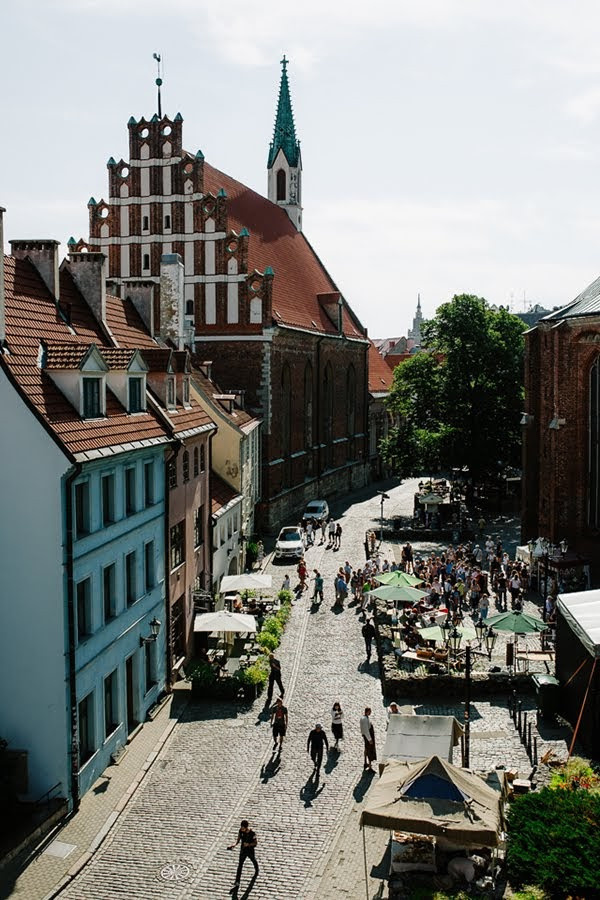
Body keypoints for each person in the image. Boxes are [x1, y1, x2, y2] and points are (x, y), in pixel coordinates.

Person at [227, 820, 259, 889]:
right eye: (241, 827)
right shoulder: (241, 831)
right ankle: (237, 881)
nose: (242, 829)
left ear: (246, 827)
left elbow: (255, 843)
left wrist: (248, 844)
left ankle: (257, 869)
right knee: (240, 866)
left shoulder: (252, 833)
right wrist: (233, 845)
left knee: (253, 860)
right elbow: (238, 840)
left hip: (250, 851)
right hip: (243, 851)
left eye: (243, 828)